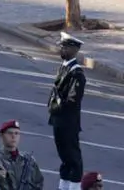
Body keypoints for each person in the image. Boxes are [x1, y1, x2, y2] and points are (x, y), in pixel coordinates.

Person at [48, 32, 87, 190]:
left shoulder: (77, 74)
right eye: (61, 46)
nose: (61, 49)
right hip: (58, 120)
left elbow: (72, 100)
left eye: (64, 47)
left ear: (73, 50)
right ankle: (63, 186)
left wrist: (56, 106)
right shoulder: (64, 68)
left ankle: (74, 187)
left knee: (73, 158)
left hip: (68, 122)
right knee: (64, 157)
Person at [0, 120, 43, 190]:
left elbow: (38, 182)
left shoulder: (29, 160)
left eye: (16, 133)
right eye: (10, 133)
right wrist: (0, 173)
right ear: (1, 135)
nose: (13, 136)